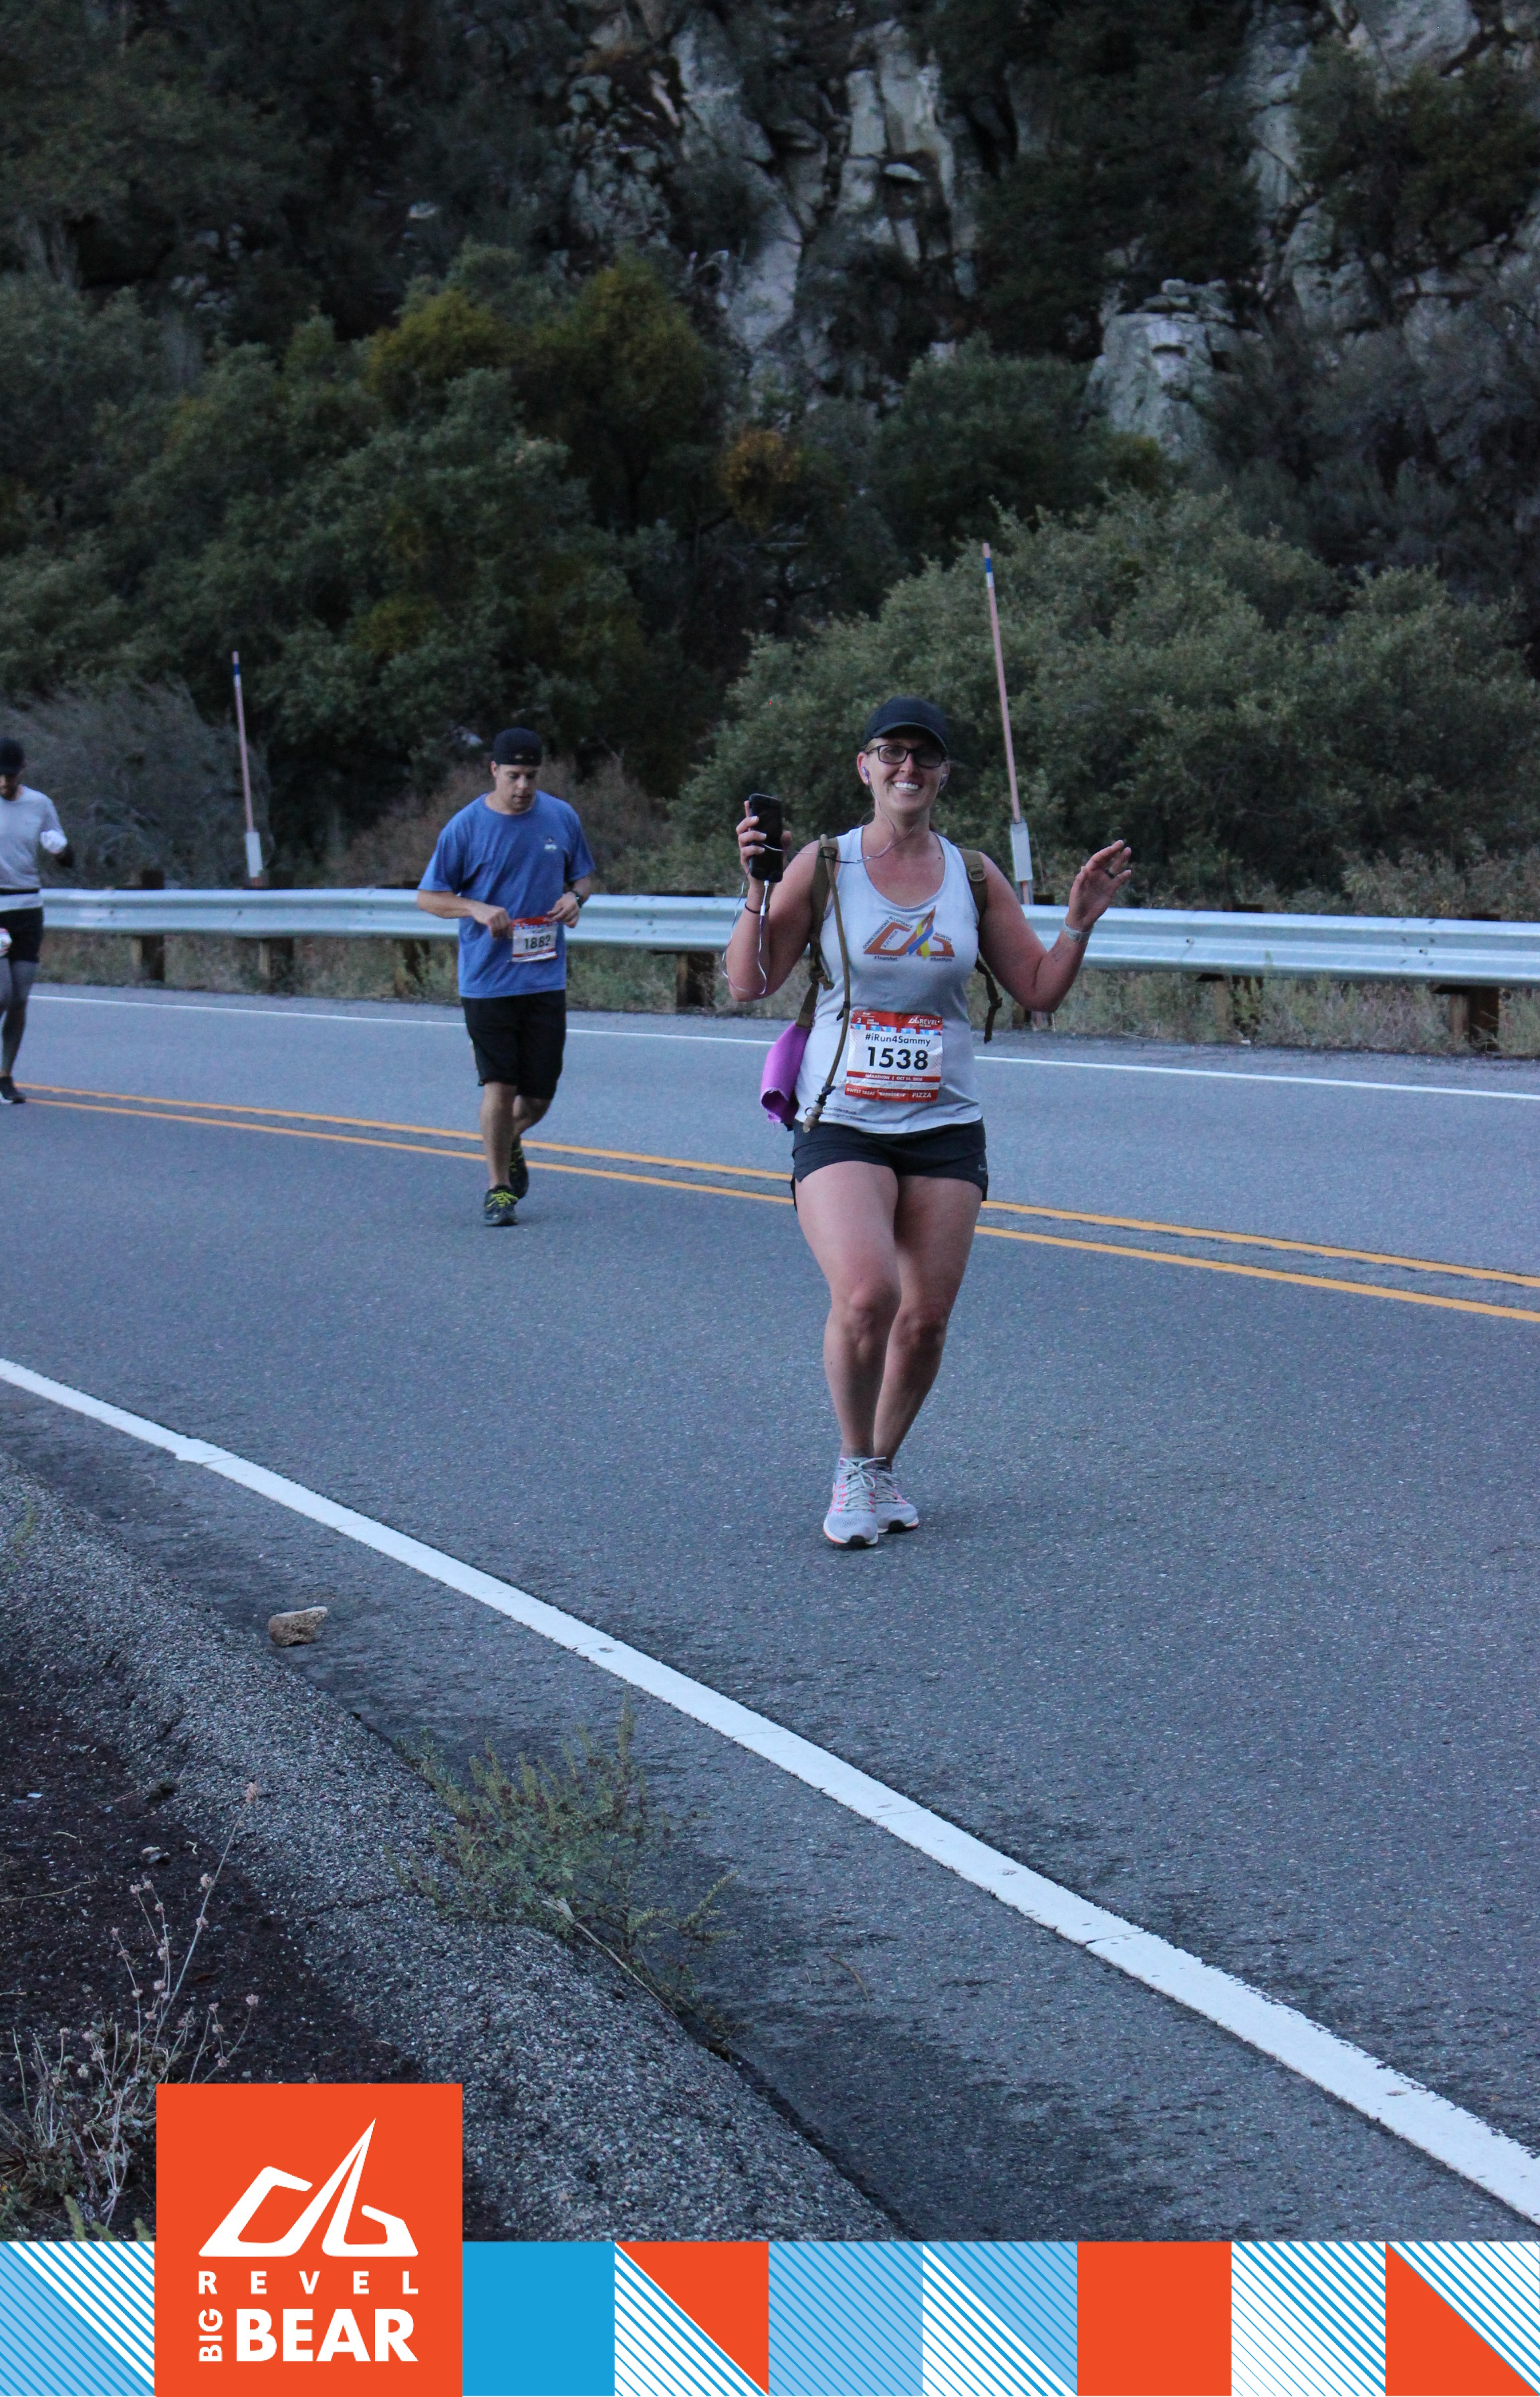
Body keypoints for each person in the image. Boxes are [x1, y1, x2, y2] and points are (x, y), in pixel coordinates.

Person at [725, 696, 1132, 1547]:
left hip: (945, 1126)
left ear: (943, 774)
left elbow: (1039, 990)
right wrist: (757, 888)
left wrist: (1078, 923)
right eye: (892, 752)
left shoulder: (972, 875)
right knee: (868, 1293)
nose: (907, 768)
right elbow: (748, 981)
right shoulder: (824, 864)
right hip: (842, 1117)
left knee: (924, 1320)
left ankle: (879, 1465)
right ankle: (851, 1464)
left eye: (925, 755)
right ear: (865, 768)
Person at [416, 727, 594, 1225]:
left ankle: (508, 1137)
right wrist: (474, 908)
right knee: (499, 1084)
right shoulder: (465, 827)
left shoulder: (561, 817)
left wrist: (575, 899)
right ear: (493, 770)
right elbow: (429, 897)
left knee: (537, 1098)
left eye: (531, 776)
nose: (522, 786)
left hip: (544, 979)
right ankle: (498, 1190)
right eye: (513, 775)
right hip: (488, 981)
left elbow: (583, 877)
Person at [0, 738, 72, 1105]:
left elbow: (67, 858)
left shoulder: (39, 804)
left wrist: (60, 849)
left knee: (20, 998)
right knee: (2, 993)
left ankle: (5, 1075)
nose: (4, 782)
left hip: (27, 907)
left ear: (22, 770)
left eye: (10, 775)